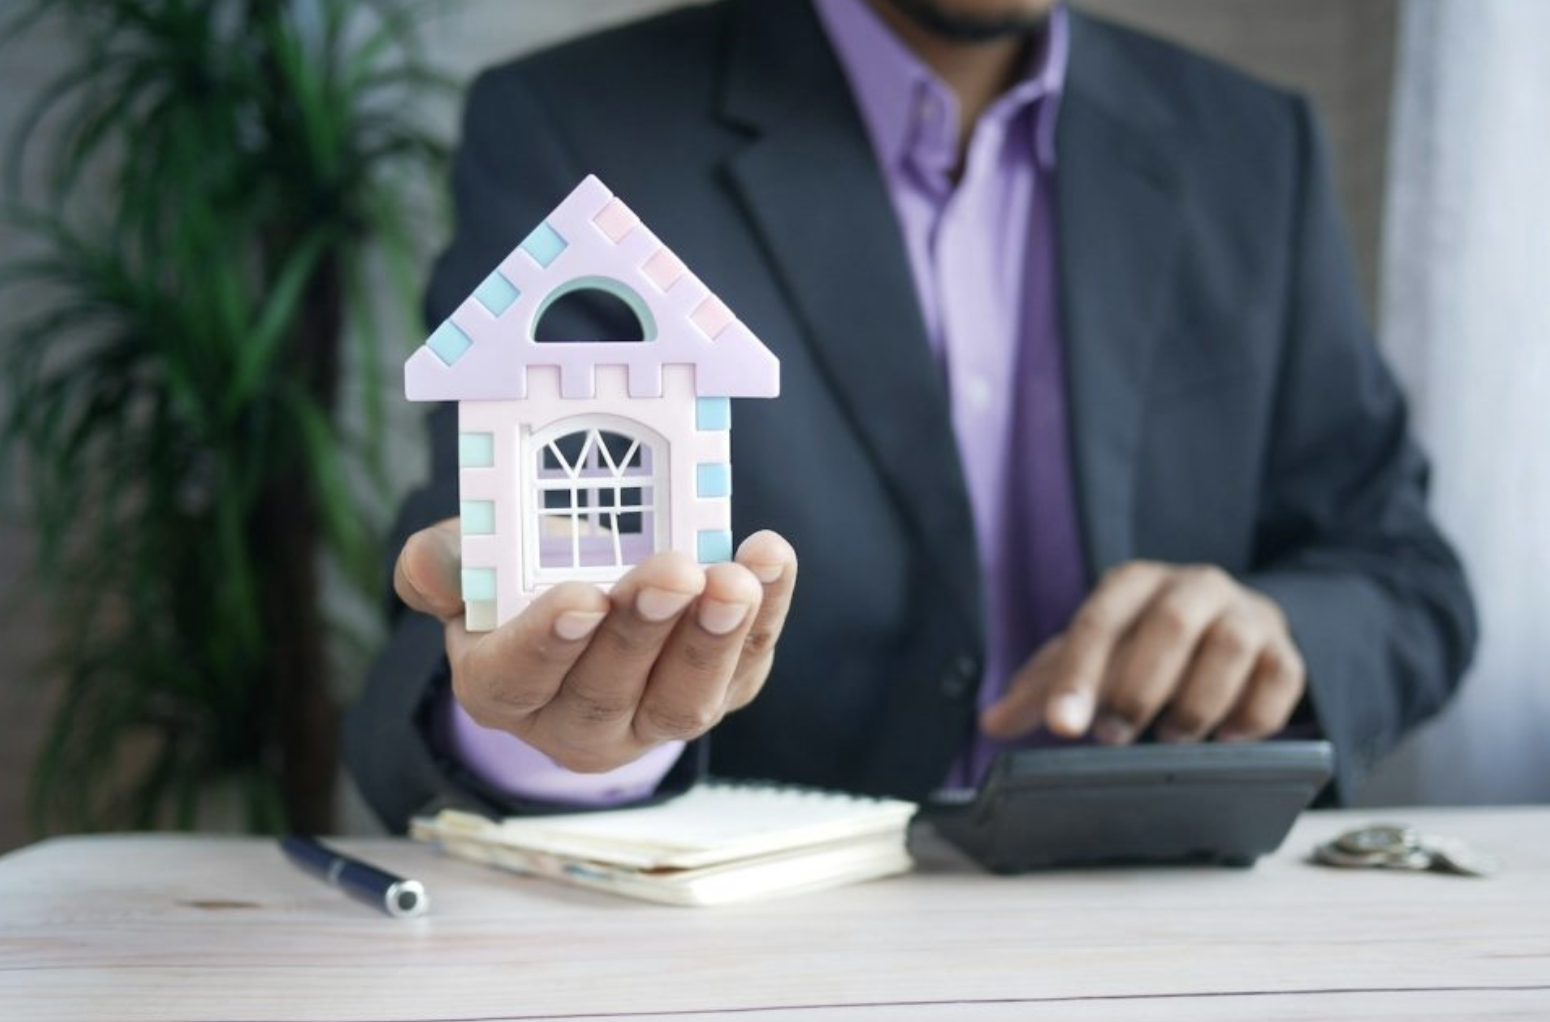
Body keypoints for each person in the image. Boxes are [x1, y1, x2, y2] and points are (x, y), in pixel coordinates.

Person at [345, 0, 1476, 831]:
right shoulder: (574, 127)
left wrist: (1276, 632)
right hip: (762, 946)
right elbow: (479, 587)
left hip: (1174, 920)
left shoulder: (1253, 147)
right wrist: (558, 734)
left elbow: (1404, 574)